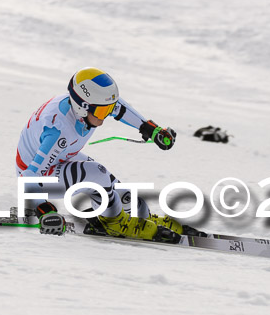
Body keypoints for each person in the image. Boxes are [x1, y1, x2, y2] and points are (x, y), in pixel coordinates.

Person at [15, 67, 181, 240]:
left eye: (108, 109)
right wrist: (44, 211)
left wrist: (152, 130)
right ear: (82, 107)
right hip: (37, 174)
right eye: (102, 111)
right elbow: (28, 177)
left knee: (118, 189)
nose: (106, 116)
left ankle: (140, 217)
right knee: (97, 174)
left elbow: (120, 108)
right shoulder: (58, 132)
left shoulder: (86, 106)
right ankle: (115, 224)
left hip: (60, 158)